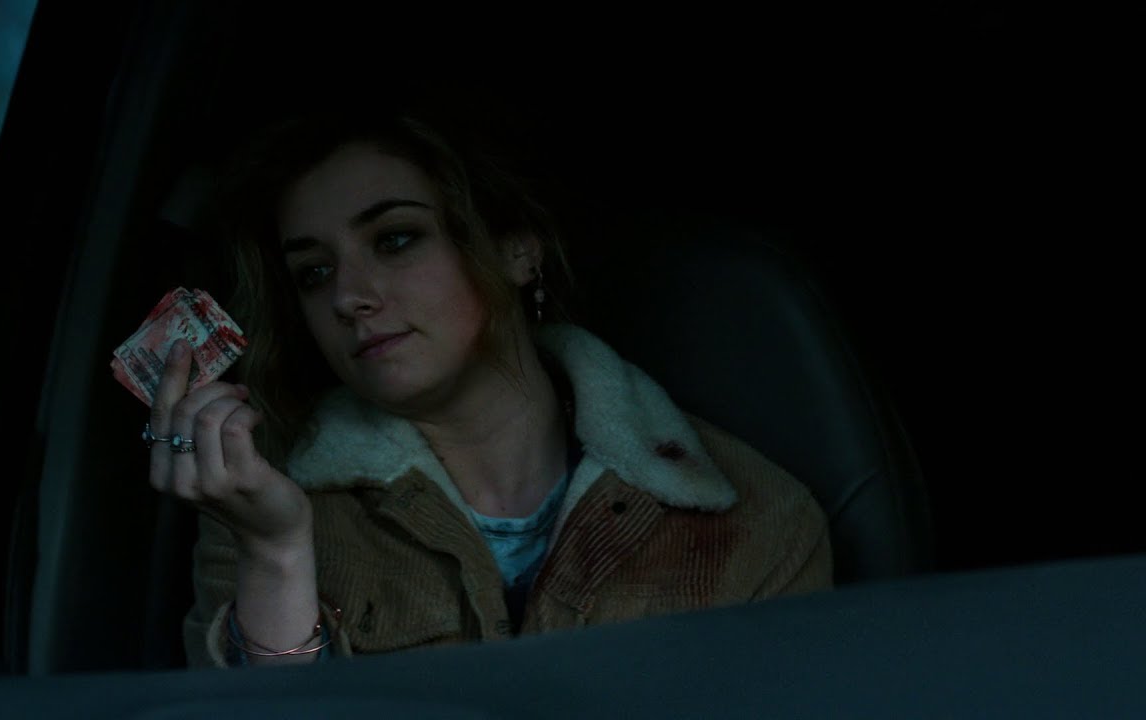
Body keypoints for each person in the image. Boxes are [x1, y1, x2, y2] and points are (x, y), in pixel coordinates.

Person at [146, 107, 833, 668]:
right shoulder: (262, 499)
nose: (349, 297)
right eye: (314, 274)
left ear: (517, 250)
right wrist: (275, 556)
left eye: (395, 239)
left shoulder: (756, 517)